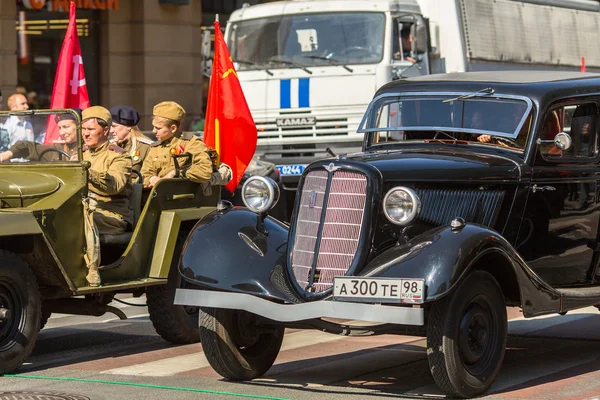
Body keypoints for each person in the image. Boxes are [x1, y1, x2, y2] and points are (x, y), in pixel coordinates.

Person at [140, 101, 215, 188]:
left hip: (183, 197)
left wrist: (177, 172)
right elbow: (144, 173)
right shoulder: (156, 147)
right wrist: (152, 179)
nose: (154, 131)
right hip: (159, 197)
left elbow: (205, 171)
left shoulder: (191, 143)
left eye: (158, 128)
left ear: (173, 128)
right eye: (154, 127)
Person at [0, 109, 81, 162]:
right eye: (59, 128)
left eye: (66, 127)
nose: (61, 132)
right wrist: (7, 154)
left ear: (79, 126)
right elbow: (29, 147)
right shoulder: (59, 148)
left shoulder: (88, 148)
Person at [109, 105, 152, 172]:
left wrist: (119, 151)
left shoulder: (146, 147)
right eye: (110, 127)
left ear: (128, 126)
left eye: (114, 126)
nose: (111, 131)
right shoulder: (109, 145)